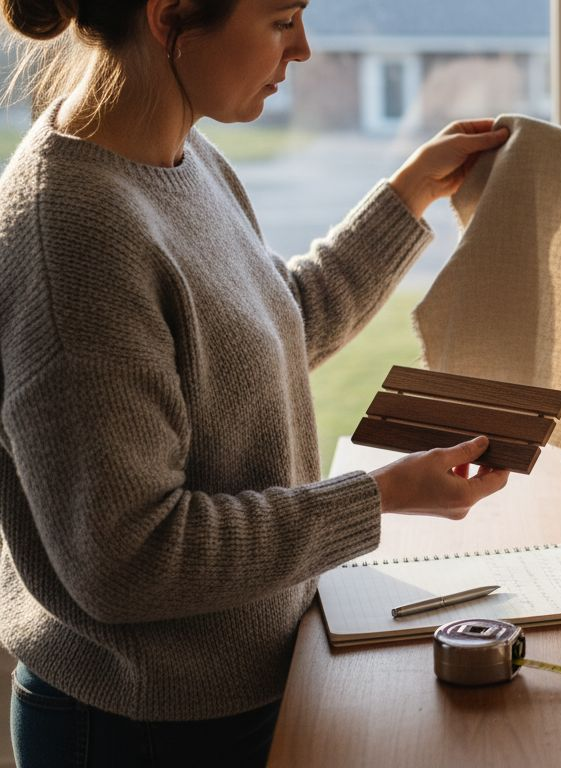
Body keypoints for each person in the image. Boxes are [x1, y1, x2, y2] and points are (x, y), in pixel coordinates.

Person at [0, 0, 513, 763]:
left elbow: (270, 326)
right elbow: (130, 559)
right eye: (282, 19)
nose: (304, 48)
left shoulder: (182, 156)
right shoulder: (74, 235)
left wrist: (411, 194)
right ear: (169, 18)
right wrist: (382, 496)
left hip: (245, 688)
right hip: (142, 727)